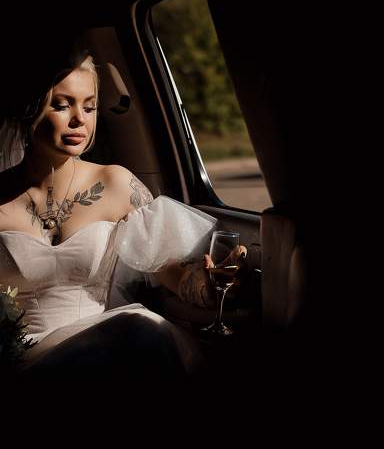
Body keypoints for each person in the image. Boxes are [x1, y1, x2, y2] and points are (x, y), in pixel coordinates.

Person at [0, 48, 246, 383]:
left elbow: (170, 273)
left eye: (89, 107)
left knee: (140, 329)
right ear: (29, 109)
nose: (80, 119)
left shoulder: (115, 184)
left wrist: (209, 287)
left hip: (108, 347)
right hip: (26, 363)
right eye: (61, 105)